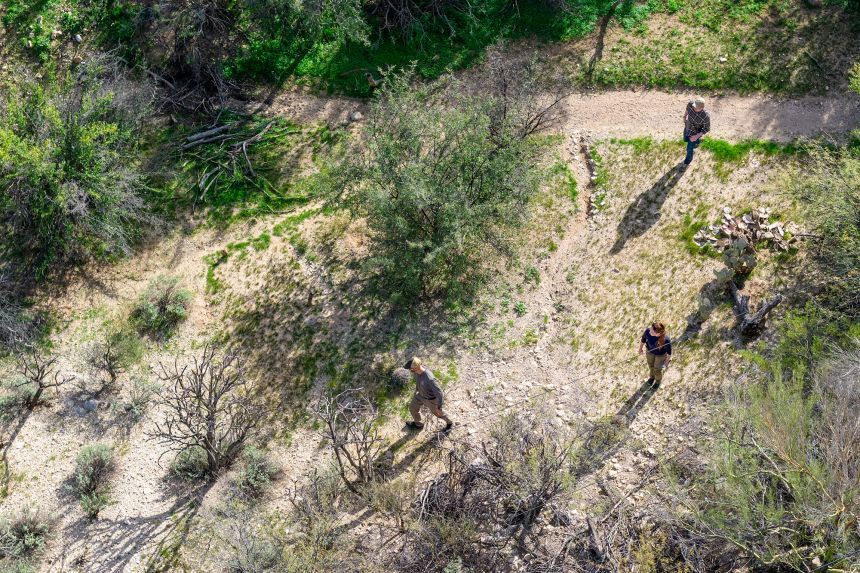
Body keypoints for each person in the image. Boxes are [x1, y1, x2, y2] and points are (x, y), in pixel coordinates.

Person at [404, 357, 454, 431]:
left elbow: (439, 393)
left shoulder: (429, 379)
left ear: (415, 368)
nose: (410, 370)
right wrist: (417, 390)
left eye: (410, 369)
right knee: (412, 408)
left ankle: (450, 423)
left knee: (438, 413)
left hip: (431, 400)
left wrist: (439, 407)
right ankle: (419, 424)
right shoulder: (418, 371)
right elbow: (419, 381)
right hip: (420, 395)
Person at [638, 322, 672, 386]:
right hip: (649, 352)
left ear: (658, 334)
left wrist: (666, 362)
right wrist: (640, 348)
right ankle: (652, 377)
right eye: (650, 329)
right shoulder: (648, 331)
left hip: (660, 356)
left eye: (652, 331)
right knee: (651, 366)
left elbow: (669, 353)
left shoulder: (666, 339)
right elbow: (643, 339)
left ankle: (658, 381)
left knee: (657, 370)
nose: (650, 331)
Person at [682, 97, 710, 168]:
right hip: (687, 128)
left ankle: (686, 163)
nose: (693, 107)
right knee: (685, 139)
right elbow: (687, 109)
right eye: (694, 105)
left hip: (695, 133)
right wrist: (684, 116)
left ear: (701, 108)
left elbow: (707, 128)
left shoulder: (705, 116)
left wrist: (695, 137)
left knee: (689, 149)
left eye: (696, 107)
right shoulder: (691, 104)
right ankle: (697, 142)